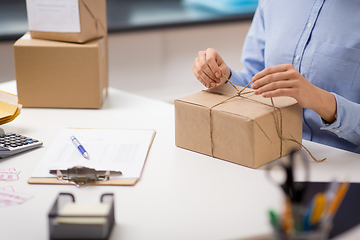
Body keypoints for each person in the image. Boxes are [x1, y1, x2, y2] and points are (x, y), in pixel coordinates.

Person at [192, 0, 360, 154]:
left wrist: (321, 101)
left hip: (343, 170)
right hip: (270, 155)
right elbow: (254, 81)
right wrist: (224, 76)